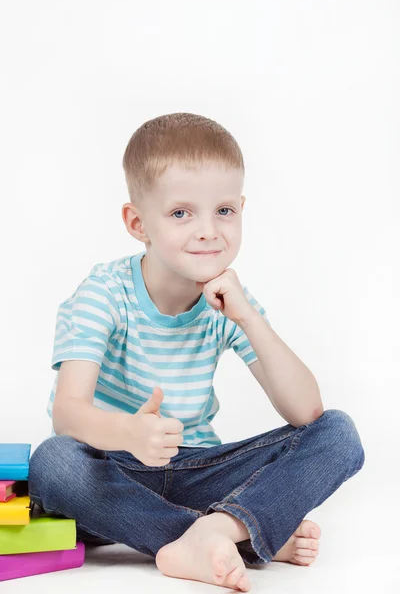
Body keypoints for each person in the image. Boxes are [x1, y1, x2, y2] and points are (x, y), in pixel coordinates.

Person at [29, 112, 365, 591]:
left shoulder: (228, 301)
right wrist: (130, 432)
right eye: (181, 213)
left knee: (338, 433)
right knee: (53, 462)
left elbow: (306, 410)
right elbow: (68, 413)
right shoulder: (103, 294)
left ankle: (219, 531)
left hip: (196, 469)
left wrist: (248, 317)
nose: (208, 231)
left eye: (224, 211)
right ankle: (245, 534)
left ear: (242, 209)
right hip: (114, 472)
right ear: (137, 222)